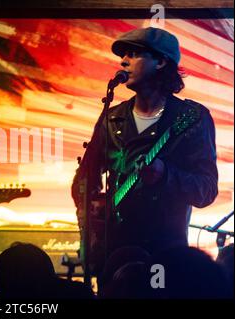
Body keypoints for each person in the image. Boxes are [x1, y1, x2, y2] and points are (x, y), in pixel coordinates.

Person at [71, 27, 218, 275]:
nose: (123, 61)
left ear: (161, 61)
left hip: (165, 255)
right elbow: (84, 181)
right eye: (123, 55)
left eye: (134, 54)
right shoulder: (112, 118)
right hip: (114, 254)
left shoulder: (190, 118)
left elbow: (206, 190)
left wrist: (166, 175)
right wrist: (94, 213)